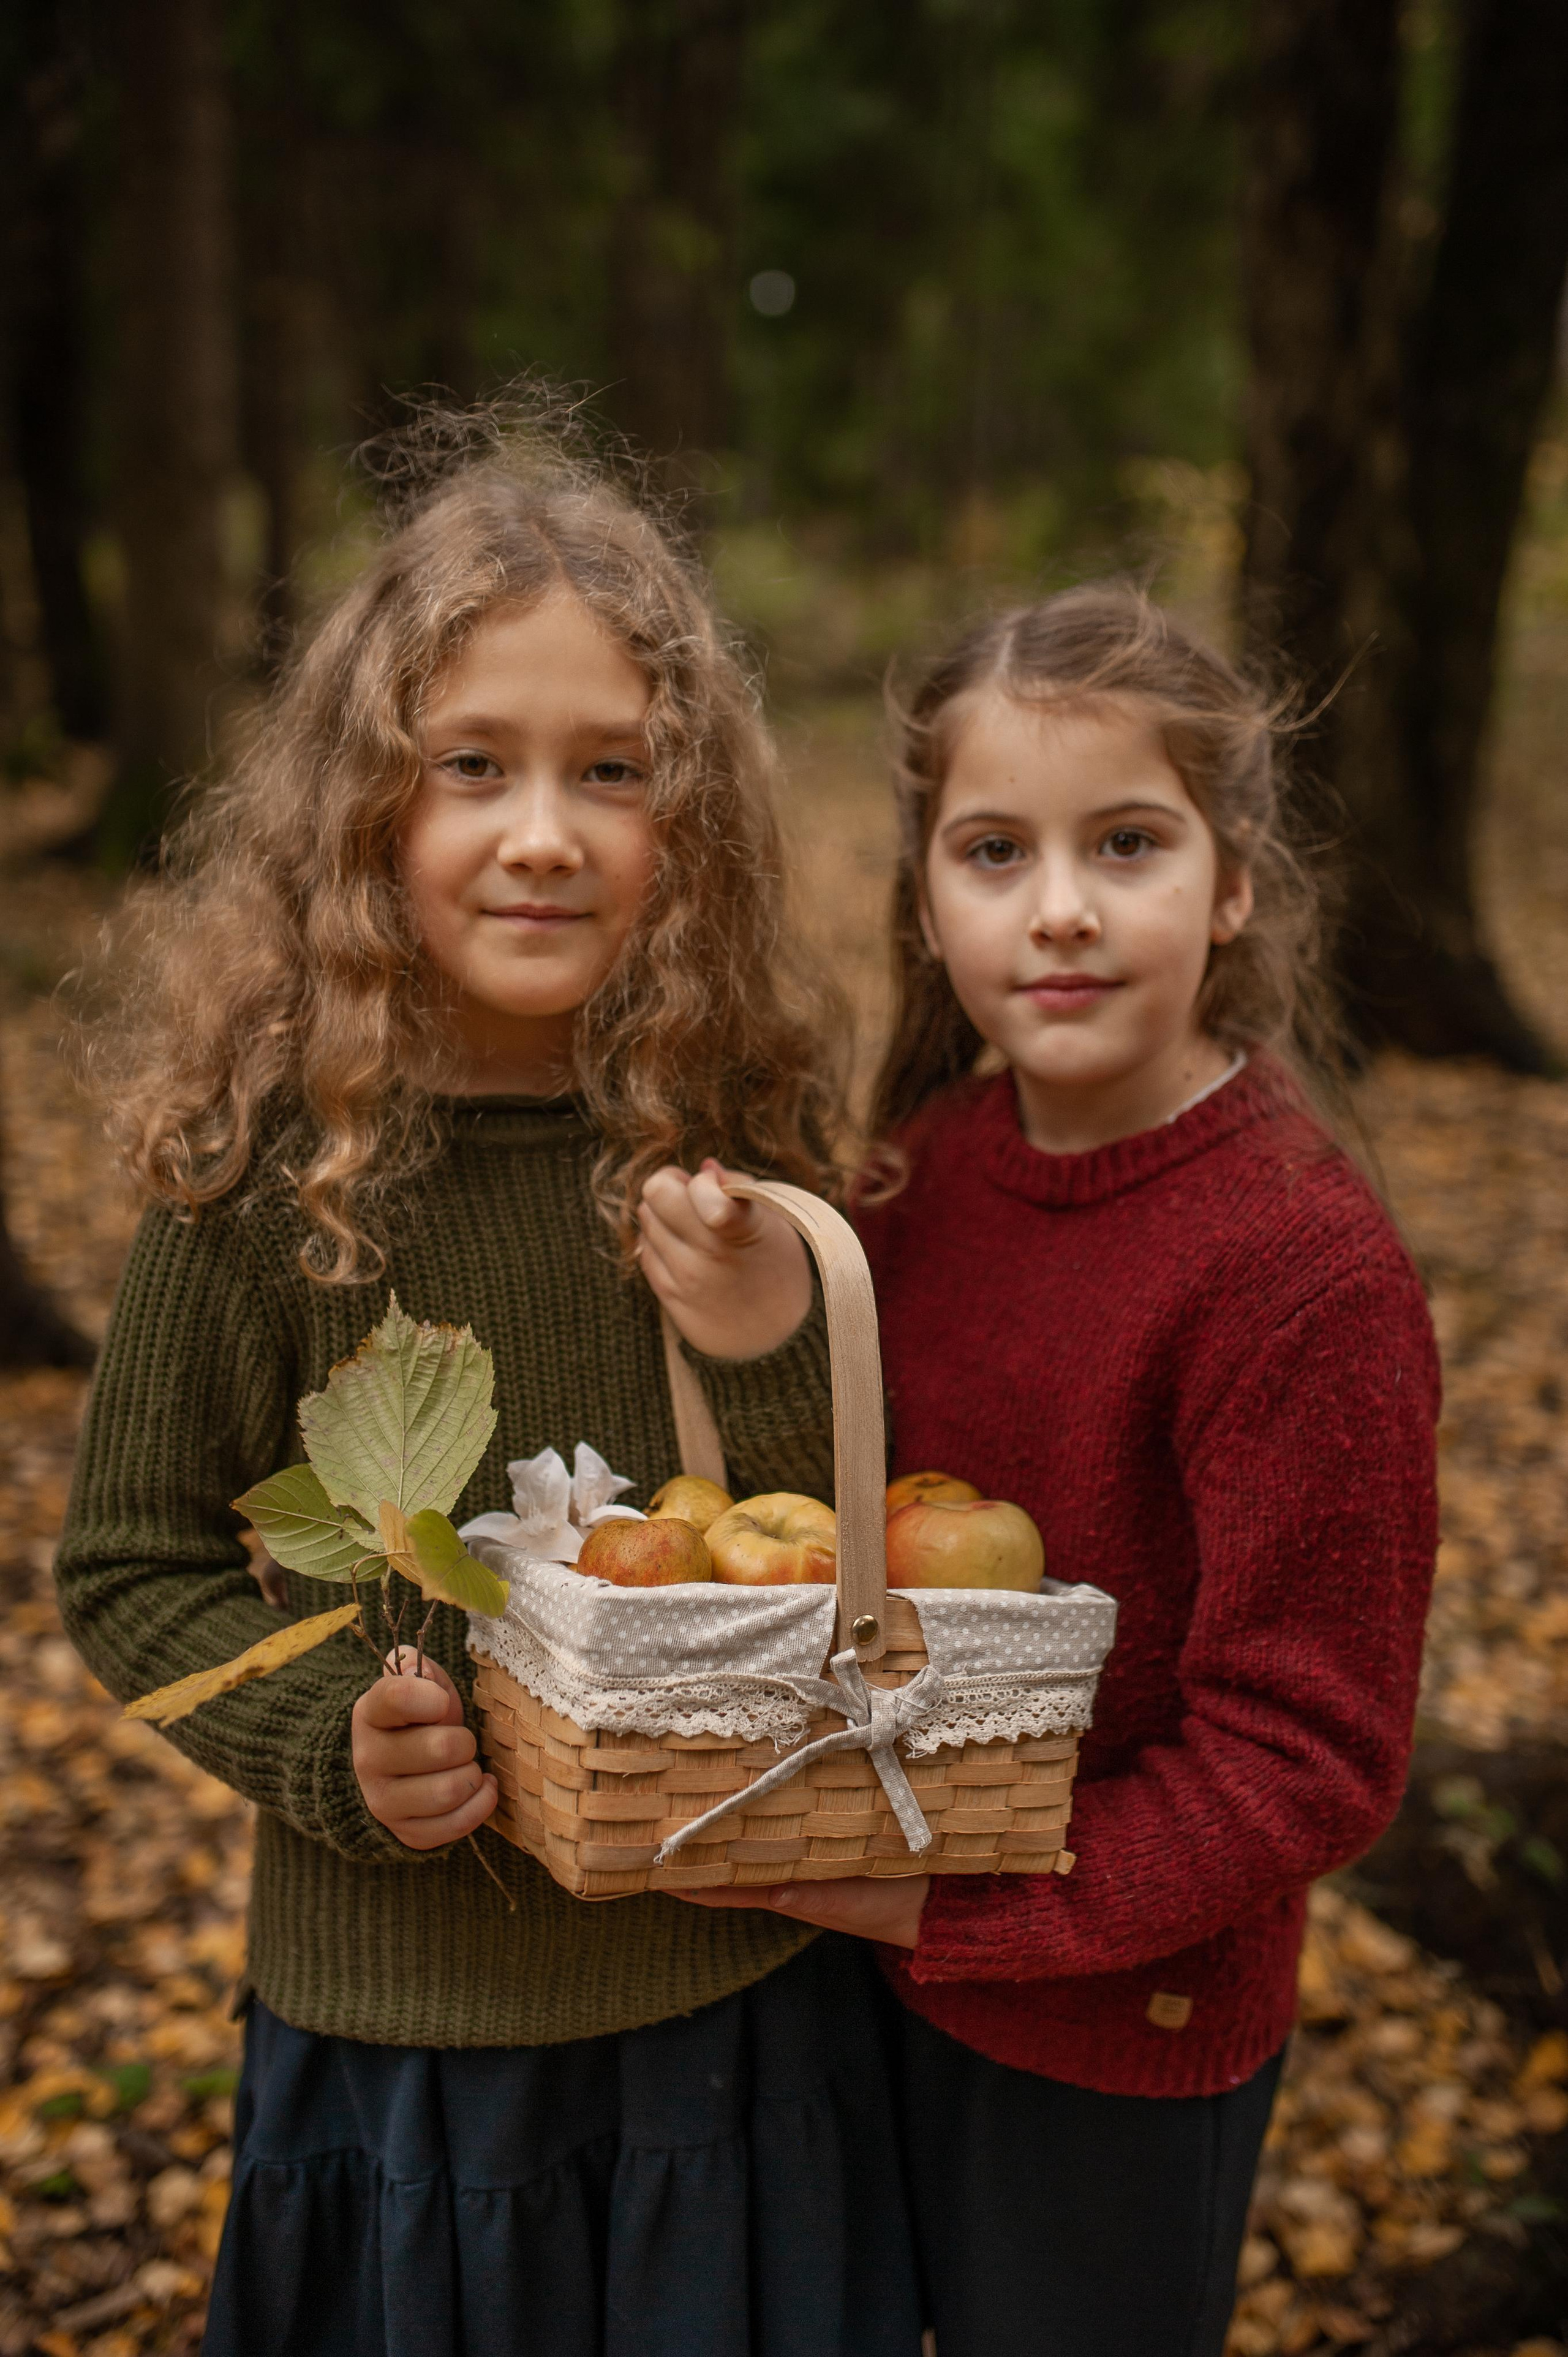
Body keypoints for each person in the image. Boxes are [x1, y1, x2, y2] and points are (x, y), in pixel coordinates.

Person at [55, 404, 923, 2357]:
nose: (543, 832)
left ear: (685, 825)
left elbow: (813, 1546)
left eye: (611, 770)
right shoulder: (267, 1171)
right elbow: (128, 1566)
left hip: (737, 2007)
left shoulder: (730, 1125)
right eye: (473, 767)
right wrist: (329, 1752)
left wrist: (761, 1329)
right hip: (414, 2043)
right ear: (369, 811)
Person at [673, 587, 1441, 2357]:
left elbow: (1308, 1754)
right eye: (996, 851)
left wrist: (954, 1904)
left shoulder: (1298, 1270)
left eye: (1129, 844)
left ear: (1233, 883)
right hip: (859, 1982)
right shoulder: (926, 1171)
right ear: (928, 898)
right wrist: (752, 1307)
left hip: (1120, 2034)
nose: (1064, 907)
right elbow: (840, 1517)